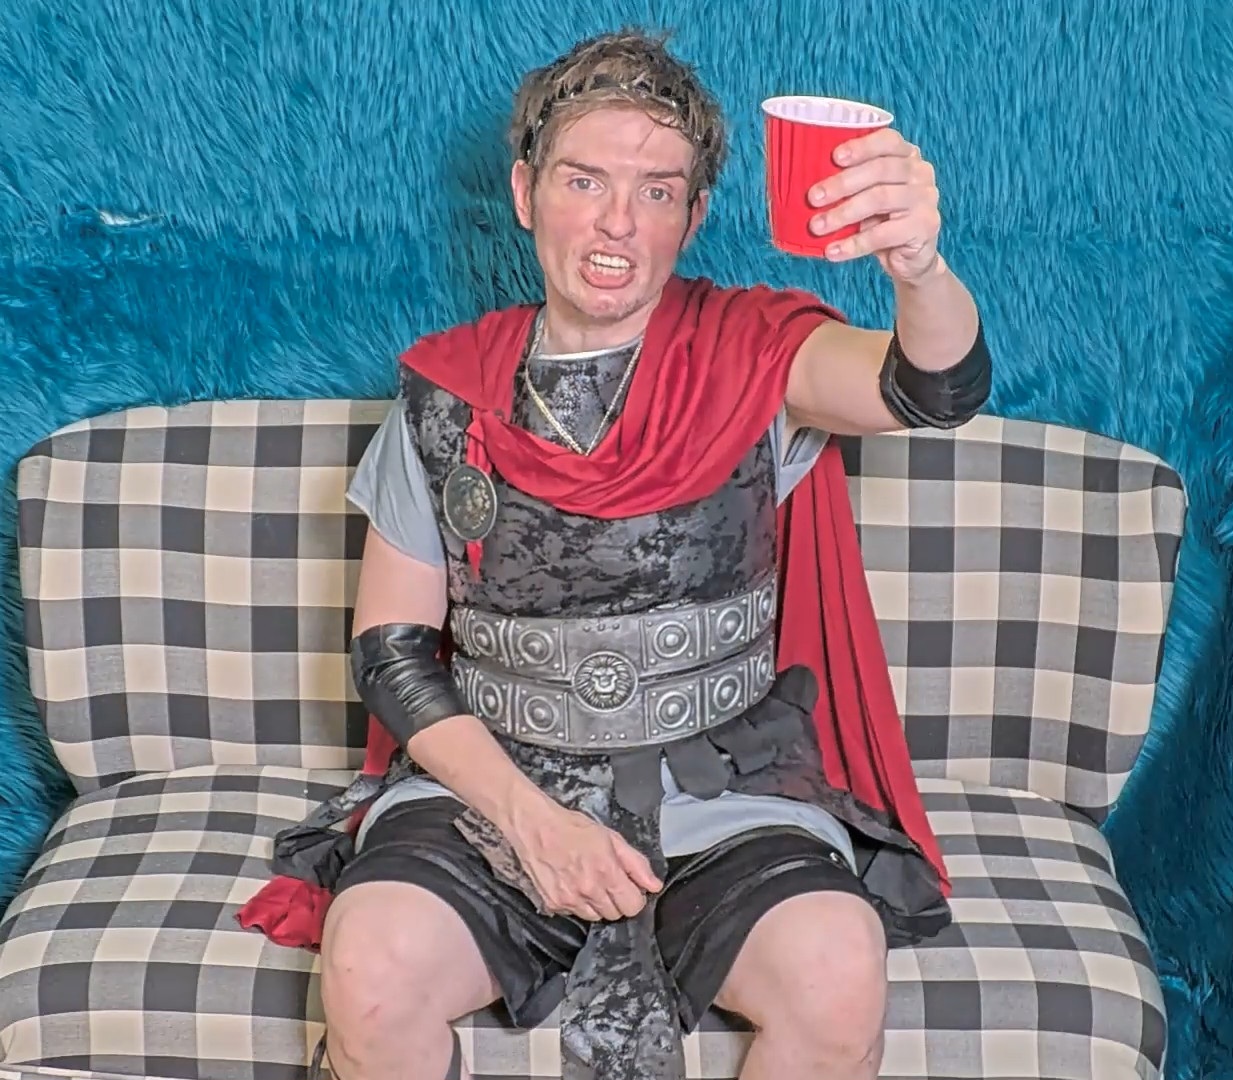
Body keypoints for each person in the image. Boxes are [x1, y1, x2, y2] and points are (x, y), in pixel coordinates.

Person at [236, 26, 991, 1080]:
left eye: (657, 190)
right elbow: (392, 652)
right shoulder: (447, 393)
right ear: (524, 191)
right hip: (495, 782)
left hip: (721, 781)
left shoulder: (756, 355)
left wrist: (919, 267)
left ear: (696, 214)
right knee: (368, 968)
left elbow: (931, 389)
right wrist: (531, 823)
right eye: (584, 181)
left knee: (837, 970)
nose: (617, 222)